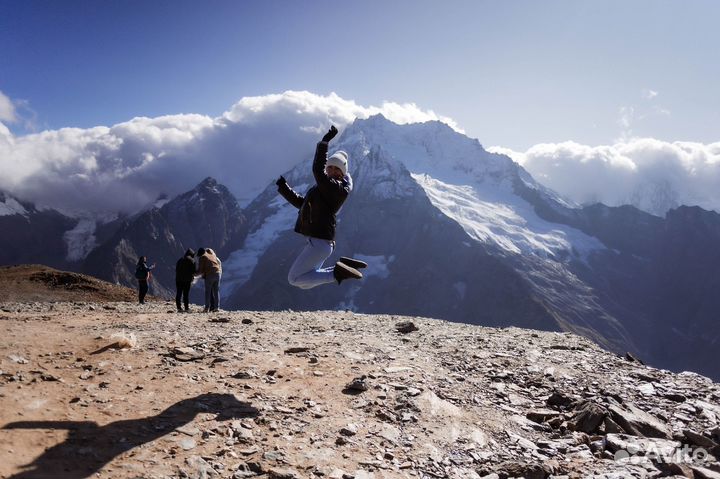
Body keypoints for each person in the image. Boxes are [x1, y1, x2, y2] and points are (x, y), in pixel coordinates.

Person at [276, 125, 367, 289]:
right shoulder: (328, 188)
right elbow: (303, 203)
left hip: (320, 243)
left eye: (336, 168)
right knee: (306, 280)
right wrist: (284, 188)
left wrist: (325, 142)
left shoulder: (335, 188)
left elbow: (317, 170)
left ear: (342, 172)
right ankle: (342, 267)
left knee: (295, 279)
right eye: (329, 167)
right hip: (319, 243)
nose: (331, 170)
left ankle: (338, 272)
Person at [197, 247, 222, 312]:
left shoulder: (202, 257)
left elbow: (200, 270)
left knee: (208, 292)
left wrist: (194, 274)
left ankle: (206, 308)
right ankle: (217, 308)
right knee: (216, 291)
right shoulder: (213, 255)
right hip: (218, 274)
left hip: (210, 275)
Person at [175, 248, 196, 313]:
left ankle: (179, 308)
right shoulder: (192, 261)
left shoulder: (180, 260)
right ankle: (186, 308)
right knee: (185, 294)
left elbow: (176, 269)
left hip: (178, 279)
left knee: (179, 293)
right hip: (187, 280)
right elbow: (194, 271)